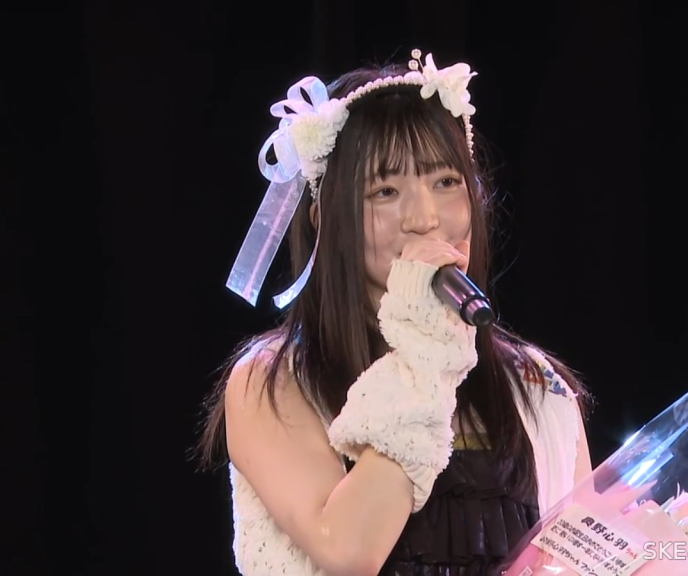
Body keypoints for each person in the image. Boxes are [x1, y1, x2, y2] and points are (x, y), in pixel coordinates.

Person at [196, 49, 594, 576]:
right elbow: (349, 552)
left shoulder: (535, 383)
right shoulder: (273, 381)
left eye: (446, 182)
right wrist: (426, 345)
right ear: (324, 218)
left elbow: (585, 552)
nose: (425, 218)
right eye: (385, 191)